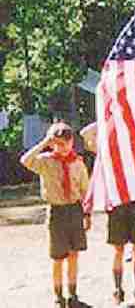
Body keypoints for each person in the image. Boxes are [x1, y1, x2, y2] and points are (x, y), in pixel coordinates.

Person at [80, 121, 135, 305]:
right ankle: (118, 288)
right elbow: (85, 133)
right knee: (118, 249)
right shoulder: (107, 148)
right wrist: (109, 117)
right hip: (117, 203)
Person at [20, 122, 90, 308]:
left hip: (75, 211)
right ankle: (59, 297)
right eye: (58, 143)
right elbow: (25, 160)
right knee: (58, 257)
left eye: (66, 142)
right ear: (52, 144)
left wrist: (87, 214)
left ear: (72, 142)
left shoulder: (78, 162)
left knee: (74, 255)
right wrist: (44, 142)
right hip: (57, 212)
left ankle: (73, 295)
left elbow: (84, 189)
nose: (63, 147)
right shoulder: (45, 161)